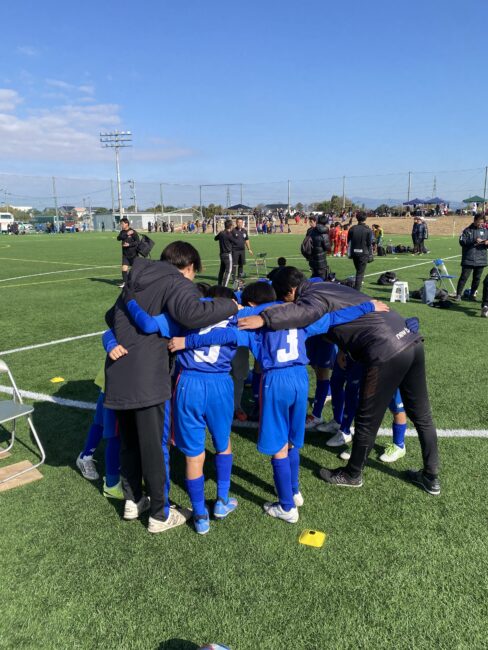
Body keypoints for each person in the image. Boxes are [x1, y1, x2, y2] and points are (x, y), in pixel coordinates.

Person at [170, 281, 384, 524]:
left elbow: (225, 333)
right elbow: (333, 317)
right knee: (292, 441)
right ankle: (294, 490)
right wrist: (368, 306)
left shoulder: (251, 317)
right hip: (300, 379)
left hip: (274, 380)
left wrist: (186, 342)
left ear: (251, 303)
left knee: (279, 446)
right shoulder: (296, 313)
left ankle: (287, 506)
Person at [238, 267, 441, 495]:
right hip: (410, 339)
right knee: (422, 414)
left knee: (367, 418)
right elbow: (348, 316)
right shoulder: (323, 284)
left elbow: (303, 313)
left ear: (291, 291)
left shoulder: (310, 297)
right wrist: (346, 348)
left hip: (385, 349)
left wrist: (263, 318)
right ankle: (431, 476)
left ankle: (353, 474)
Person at [103, 241, 238, 534]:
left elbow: (110, 317)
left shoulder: (136, 279)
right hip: (148, 376)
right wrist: (231, 305)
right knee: (155, 446)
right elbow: (192, 314)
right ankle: (160, 514)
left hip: (118, 371)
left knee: (129, 442)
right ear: (188, 268)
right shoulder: (176, 282)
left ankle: (133, 500)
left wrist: (111, 340)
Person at [454, 214, 488, 302]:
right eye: (479, 222)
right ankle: (458, 295)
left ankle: (472, 295)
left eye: (482, 222)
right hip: (468, 258)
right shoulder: (467, 230)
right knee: (464, 277)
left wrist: (486, 243)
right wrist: (473, 240)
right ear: (475, 221)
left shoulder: (486, 231)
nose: (481, 224)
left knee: (477, 279)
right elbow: (462, 242)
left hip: (481, 259)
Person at [347, 212, 373, 291]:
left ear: (357, 218)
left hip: (354, 252)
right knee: (360, 272)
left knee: (358, 271)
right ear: (365, 218)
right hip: (363, 253)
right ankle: (357, 290)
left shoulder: (352, 228)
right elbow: (369, 243)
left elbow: (349, 241)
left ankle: (357, 286)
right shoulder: (367, 229)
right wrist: (370, 254)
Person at [117, 218, 139, 288]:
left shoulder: (133, 232)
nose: (121, 225)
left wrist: (129, 244)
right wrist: (126, 234)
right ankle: (125, 283)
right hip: (125, 254)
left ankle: (136, 282)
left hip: (133, 254)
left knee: (135, 270)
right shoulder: (122, 232)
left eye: (122, 224)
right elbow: (118, 238)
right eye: (121, 224)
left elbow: (137, 242)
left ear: (127, 224)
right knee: (124, 268)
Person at [308, 214, 330, 279]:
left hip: (312, 259)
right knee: (322, 279)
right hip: (321, 261)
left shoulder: (311, 230)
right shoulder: (324, 233)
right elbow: (327, 247)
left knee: (314, 277)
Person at [215, 219, 235, 287]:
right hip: (228, 255)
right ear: (230, 226)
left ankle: (219, 285)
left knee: (222, 271)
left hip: (222, 254)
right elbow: (235, 242)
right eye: (232, 225)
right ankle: (224, 287)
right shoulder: (229, 234)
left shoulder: (221, 233)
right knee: (228, 271)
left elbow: (215, 238)